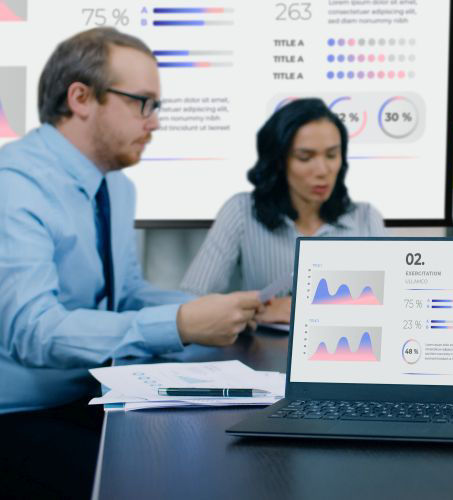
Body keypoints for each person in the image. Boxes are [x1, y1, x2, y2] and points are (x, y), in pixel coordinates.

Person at [0, 28, 262, 497]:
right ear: (80, 98)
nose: (154, 122)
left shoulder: (115, 186)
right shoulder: (14, 185)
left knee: (223, 455)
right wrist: (179, 323)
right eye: (142, 102)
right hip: (19, 418)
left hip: (91, 396)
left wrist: (218, 307)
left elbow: (127, 292)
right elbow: (33, 331)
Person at [180, 98, 387, 324]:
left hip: (346, 353)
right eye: (305, 157)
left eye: (331, 155)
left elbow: (392, 305)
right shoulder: (241, 212)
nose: (322, 170)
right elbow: (191, 301)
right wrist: (259, 311)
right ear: (279, 162)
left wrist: (311, 309)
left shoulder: (366, 218)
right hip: (261, 353)